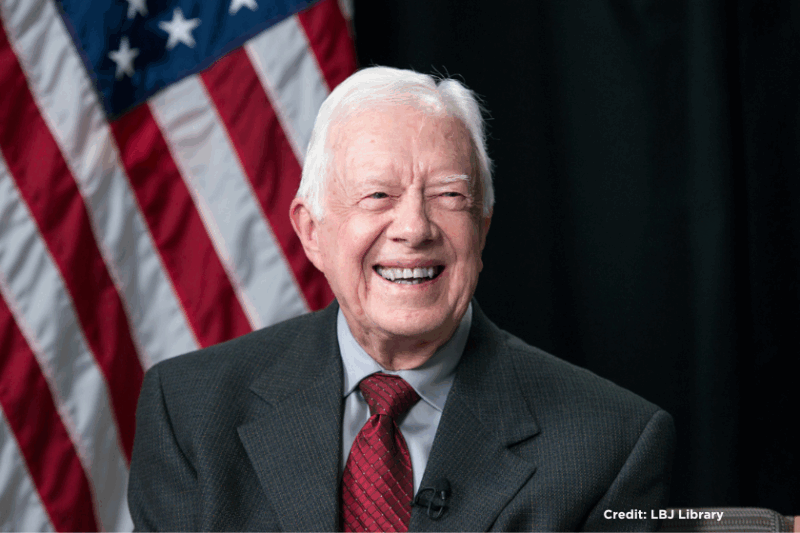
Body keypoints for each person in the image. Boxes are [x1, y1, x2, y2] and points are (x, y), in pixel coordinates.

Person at [128, 66, 675, 532]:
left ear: (481, 228)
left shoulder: (613, 444)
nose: (414, 228)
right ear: (312, 231)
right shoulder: (190, 413)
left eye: (449, 195)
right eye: (378, 195)